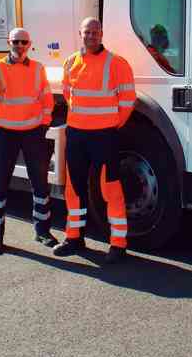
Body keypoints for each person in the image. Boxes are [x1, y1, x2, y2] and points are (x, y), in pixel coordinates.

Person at [52, 17, 136, 264]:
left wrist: (111, 124)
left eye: (96, 31)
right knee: (74, 188)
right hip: (77, 134)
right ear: (80, 33)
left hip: (105, 136)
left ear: (102, 34)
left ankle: (118, 244)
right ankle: (74, 238)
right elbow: (68, 94)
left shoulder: (117, 63)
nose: (91, 35)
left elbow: (128, 99)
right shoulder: (70, 62)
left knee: (111, 188)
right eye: (87, 31)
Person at [0, 27, 56, 255]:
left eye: (23, 42)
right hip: (7, 134)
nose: (20, 46)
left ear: (30, 44)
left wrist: (43, 124)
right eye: (15, 42)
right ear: (8, 43)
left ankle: (43, 231)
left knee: (40, 183)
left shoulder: (38, 68)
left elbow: (47, 100)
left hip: (33, 133)